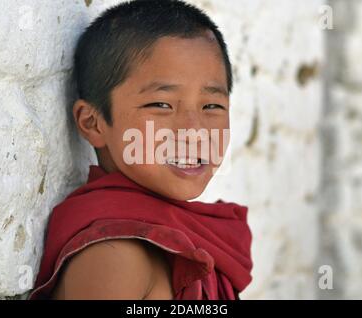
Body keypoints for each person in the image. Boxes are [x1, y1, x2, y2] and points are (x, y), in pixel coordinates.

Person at [29, 0, 252, 300]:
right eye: (161, 105)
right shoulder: (115, 257)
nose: (195, 131)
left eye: (212, 105)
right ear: (93, 123)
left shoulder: (189, 235)